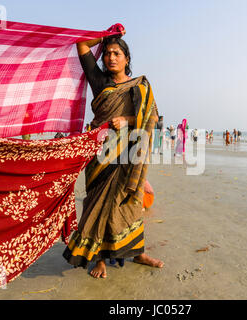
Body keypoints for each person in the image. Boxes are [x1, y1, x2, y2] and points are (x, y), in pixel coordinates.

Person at [62, 31, 164, 279]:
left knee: (129, 205)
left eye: (116, 53)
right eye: (107, 53)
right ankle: (100, 259)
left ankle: (137, 252)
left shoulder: (141, 85)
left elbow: (155, 121)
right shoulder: (99, 81)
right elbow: (82, 44)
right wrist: (107, 35)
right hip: (101, 155)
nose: (110, 57)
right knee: (97, 204)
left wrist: (128, 120)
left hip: (129, 153)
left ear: (127, 58)